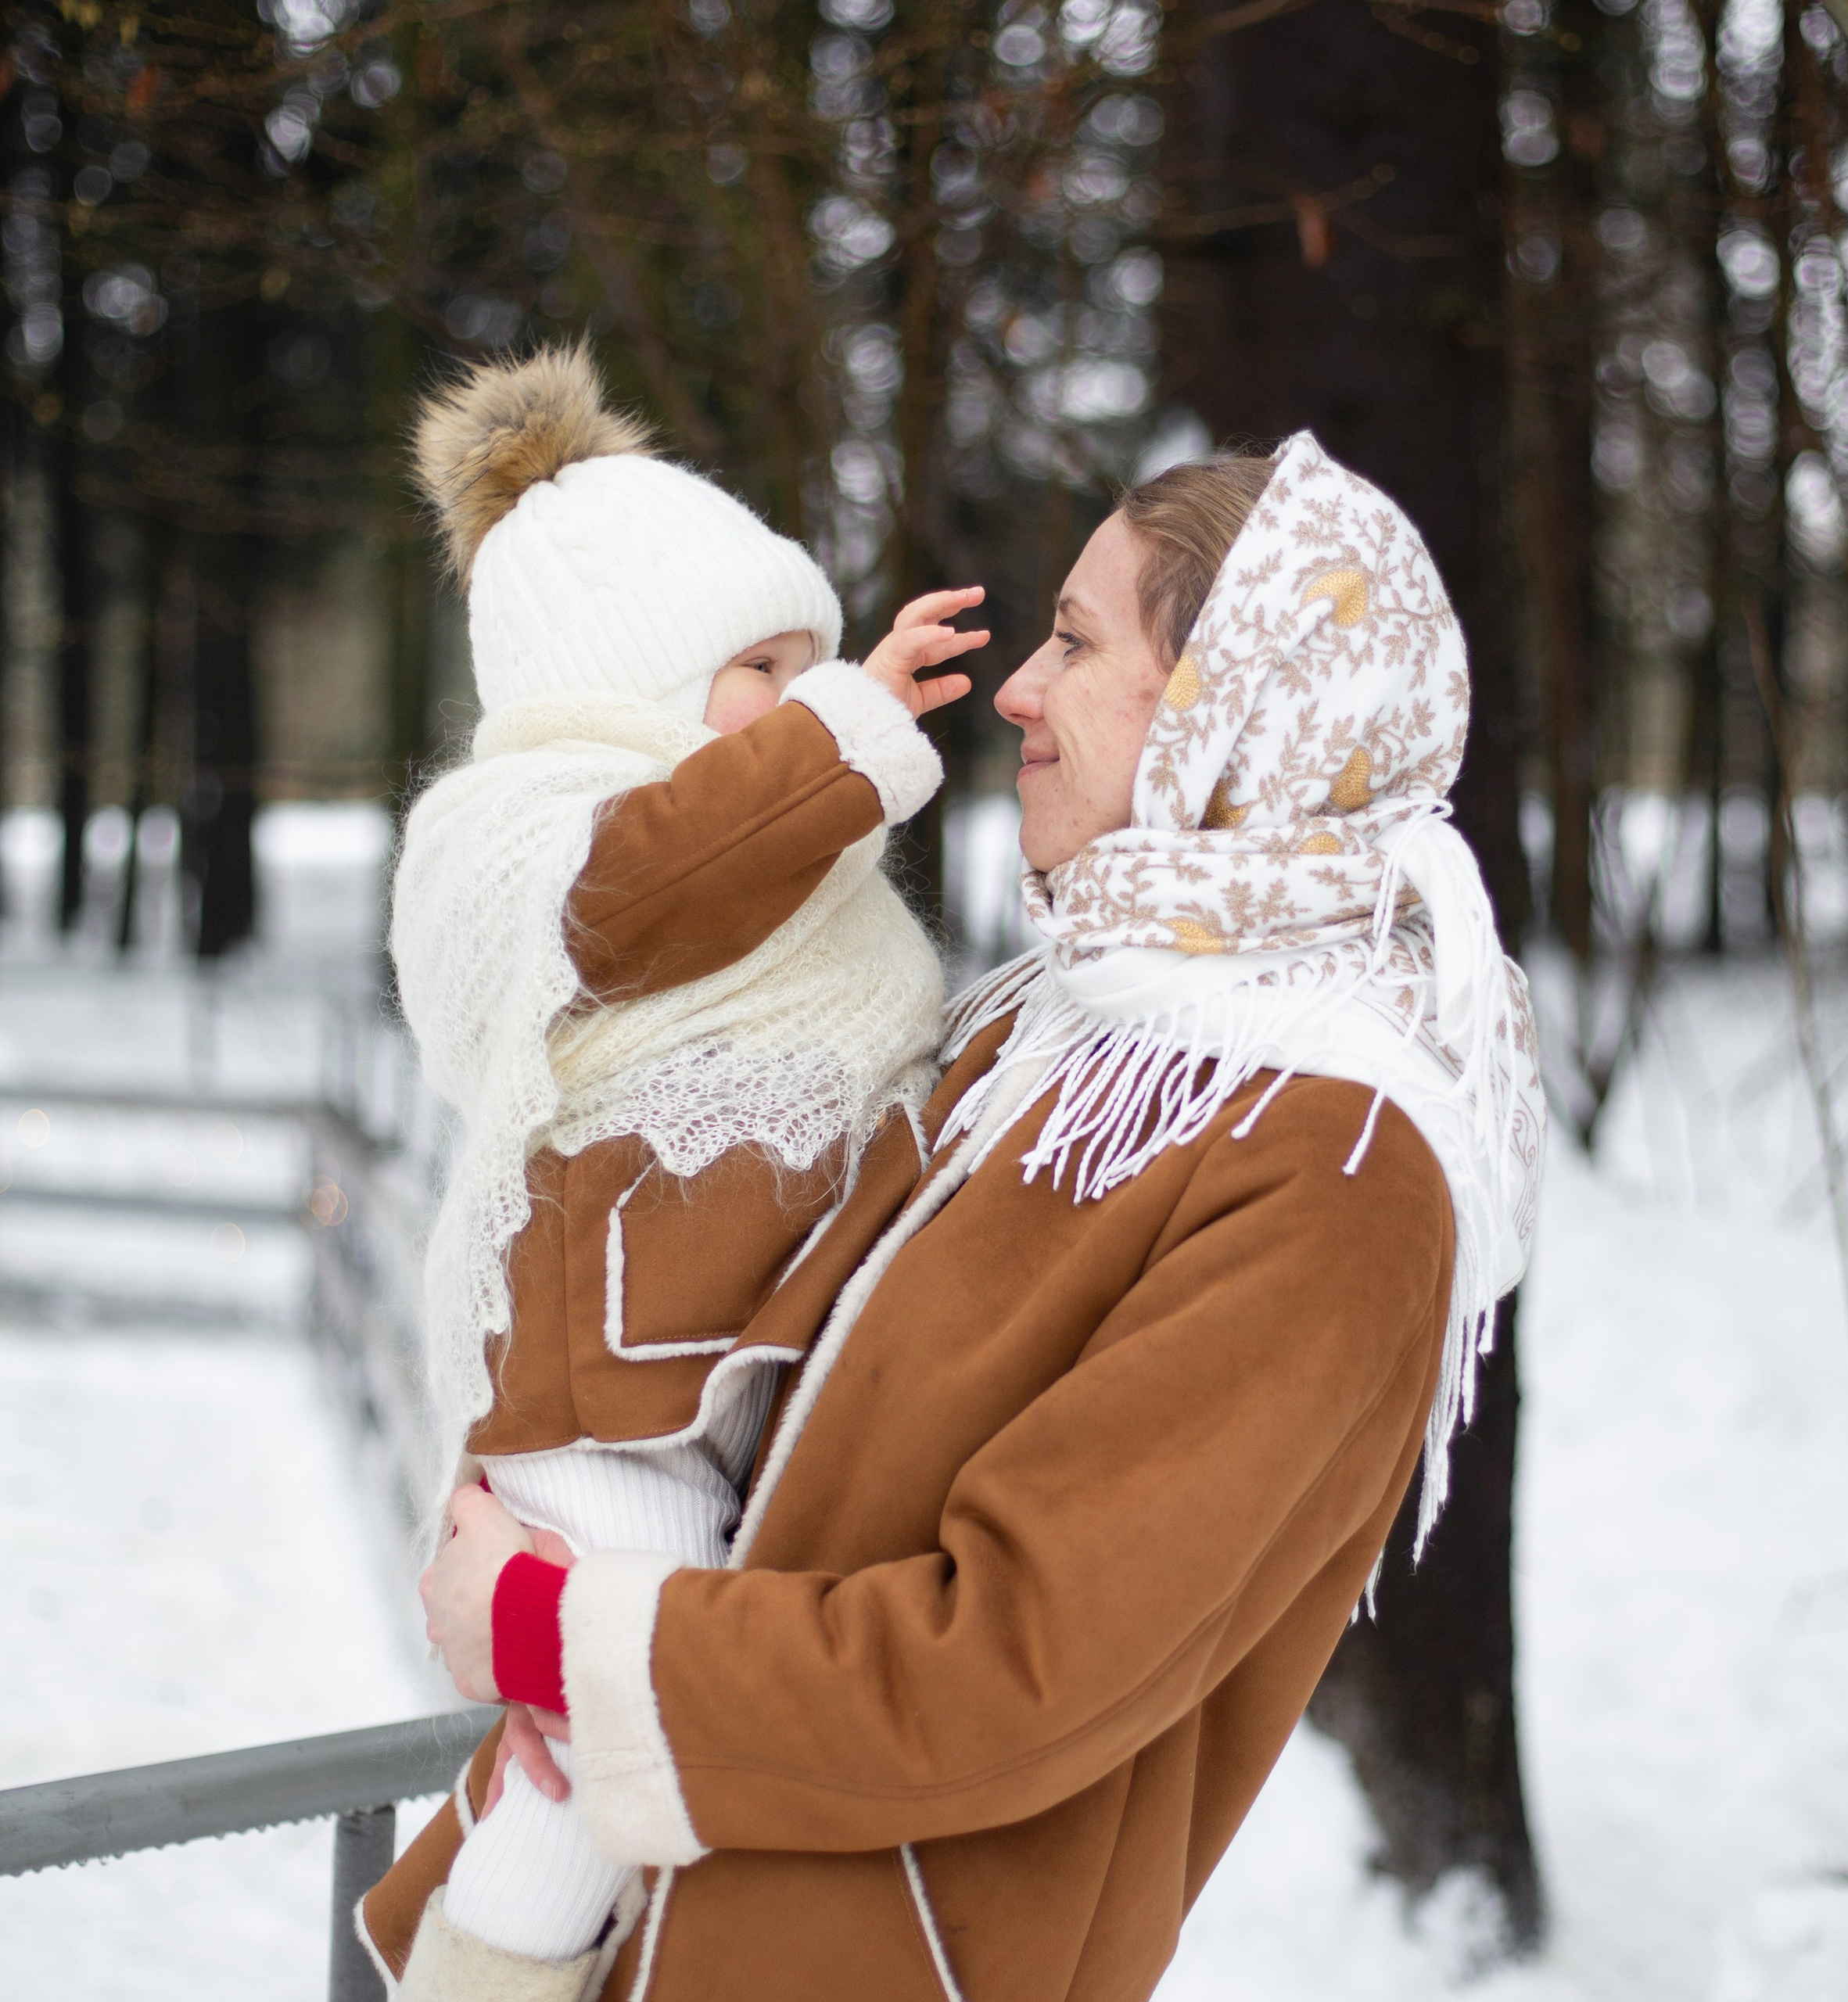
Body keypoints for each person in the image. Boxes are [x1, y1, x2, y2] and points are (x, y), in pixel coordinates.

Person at [372, 430, 1546, 2002]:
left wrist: (547, 1627)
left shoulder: (1333, 1155)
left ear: (1222, 697)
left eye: (1074, 639)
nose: (1013, 688)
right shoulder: (1045, 1031)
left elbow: (1010, 1667)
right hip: (678, 1910)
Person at [379, 344, 985, 1996]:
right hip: (604, 1402)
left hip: (726, 1387)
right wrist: (852, 715)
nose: (800, 694)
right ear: (622, 669)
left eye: (811, 655)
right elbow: (653, 886)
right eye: (756, 665)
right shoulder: (529, 836)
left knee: (661, 1758)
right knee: (584, 1782)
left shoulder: (793, 863)